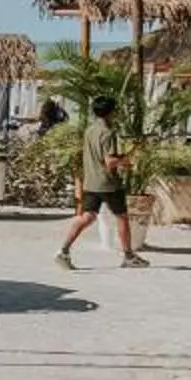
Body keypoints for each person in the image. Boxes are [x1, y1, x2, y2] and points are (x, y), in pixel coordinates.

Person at [55, 95, 145, 270]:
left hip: (91, 181)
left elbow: (98, 157)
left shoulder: (90, 130)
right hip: (109, 183)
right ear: (111, 112)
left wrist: (121, 158)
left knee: (87, 217)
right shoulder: (108, 133)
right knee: (122, 217)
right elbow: (109, 161)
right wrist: (125, 159)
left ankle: (63, 251)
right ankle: (129, 256)